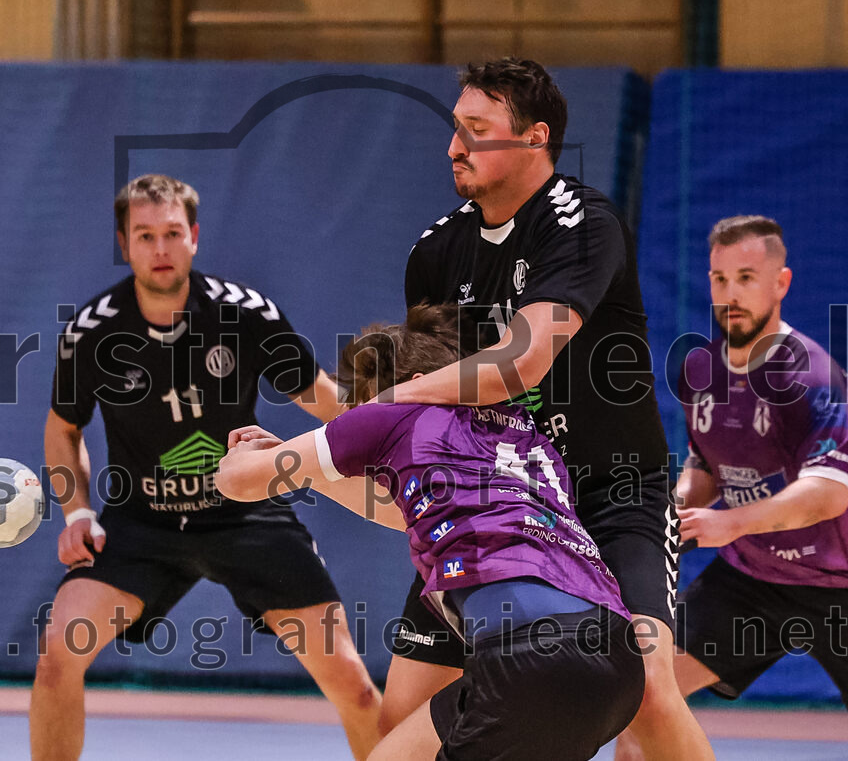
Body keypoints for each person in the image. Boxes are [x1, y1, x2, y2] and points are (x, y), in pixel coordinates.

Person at [377, 58, 713, 760]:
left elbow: (521, 362)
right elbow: (435, 395)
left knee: (648, 682)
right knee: (403, 710)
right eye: (454, 128)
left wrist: (393, 400)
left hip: (613, 491)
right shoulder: (436, 252)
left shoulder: (584, 224)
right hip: (501, 494)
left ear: (533, 139)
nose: (454, 146)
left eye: (476, 129)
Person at [29, 174, 382, 761]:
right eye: (145, 235)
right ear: (124, 244)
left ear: (194, 236)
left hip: (246, 513)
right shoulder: (92, 333)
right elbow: (62, 429)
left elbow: (321, 397)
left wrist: (393, 433)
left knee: (353, 684)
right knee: (56, 658)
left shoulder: (244, 314)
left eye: (172, 233)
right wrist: (77, 510)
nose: (160, 249)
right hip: (142, 524)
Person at [217, 304, 645, 760]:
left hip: (530, 655)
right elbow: (396, 510)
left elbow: (241, 483)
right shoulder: (520, 433)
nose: (359, 412)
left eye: (362, 399)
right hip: (615, 658)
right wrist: (293, 462)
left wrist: (239, 455)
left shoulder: (393, 413)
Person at [670, 216, 848, 711]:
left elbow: (827, 494)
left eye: (746, 278)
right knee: (645, 698)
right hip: (751, 579)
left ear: (780, 283)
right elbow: (707, 464)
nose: (731, 294)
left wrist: (730, 522)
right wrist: (677, 509)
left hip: (840, 583)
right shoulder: (700, 369)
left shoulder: (813, 377)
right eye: (720, 279)